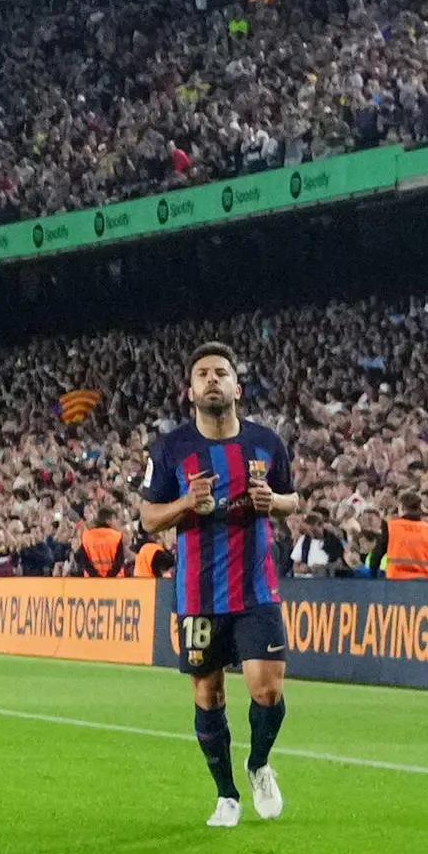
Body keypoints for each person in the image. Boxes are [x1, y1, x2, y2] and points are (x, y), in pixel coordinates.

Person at [138, 344, 305, 827]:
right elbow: (149, 517)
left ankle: (258, 765)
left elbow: (292, 499)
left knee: (267, 689)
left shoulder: (267, 443)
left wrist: (272, 500)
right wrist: (186, 502)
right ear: (190, 391)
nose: (213, 380)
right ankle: (226, 794)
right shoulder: (171, 449)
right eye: (203, 374)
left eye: (221, 373)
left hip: (256, 588)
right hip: (198, 593)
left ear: (238, 387)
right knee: (208, 693)